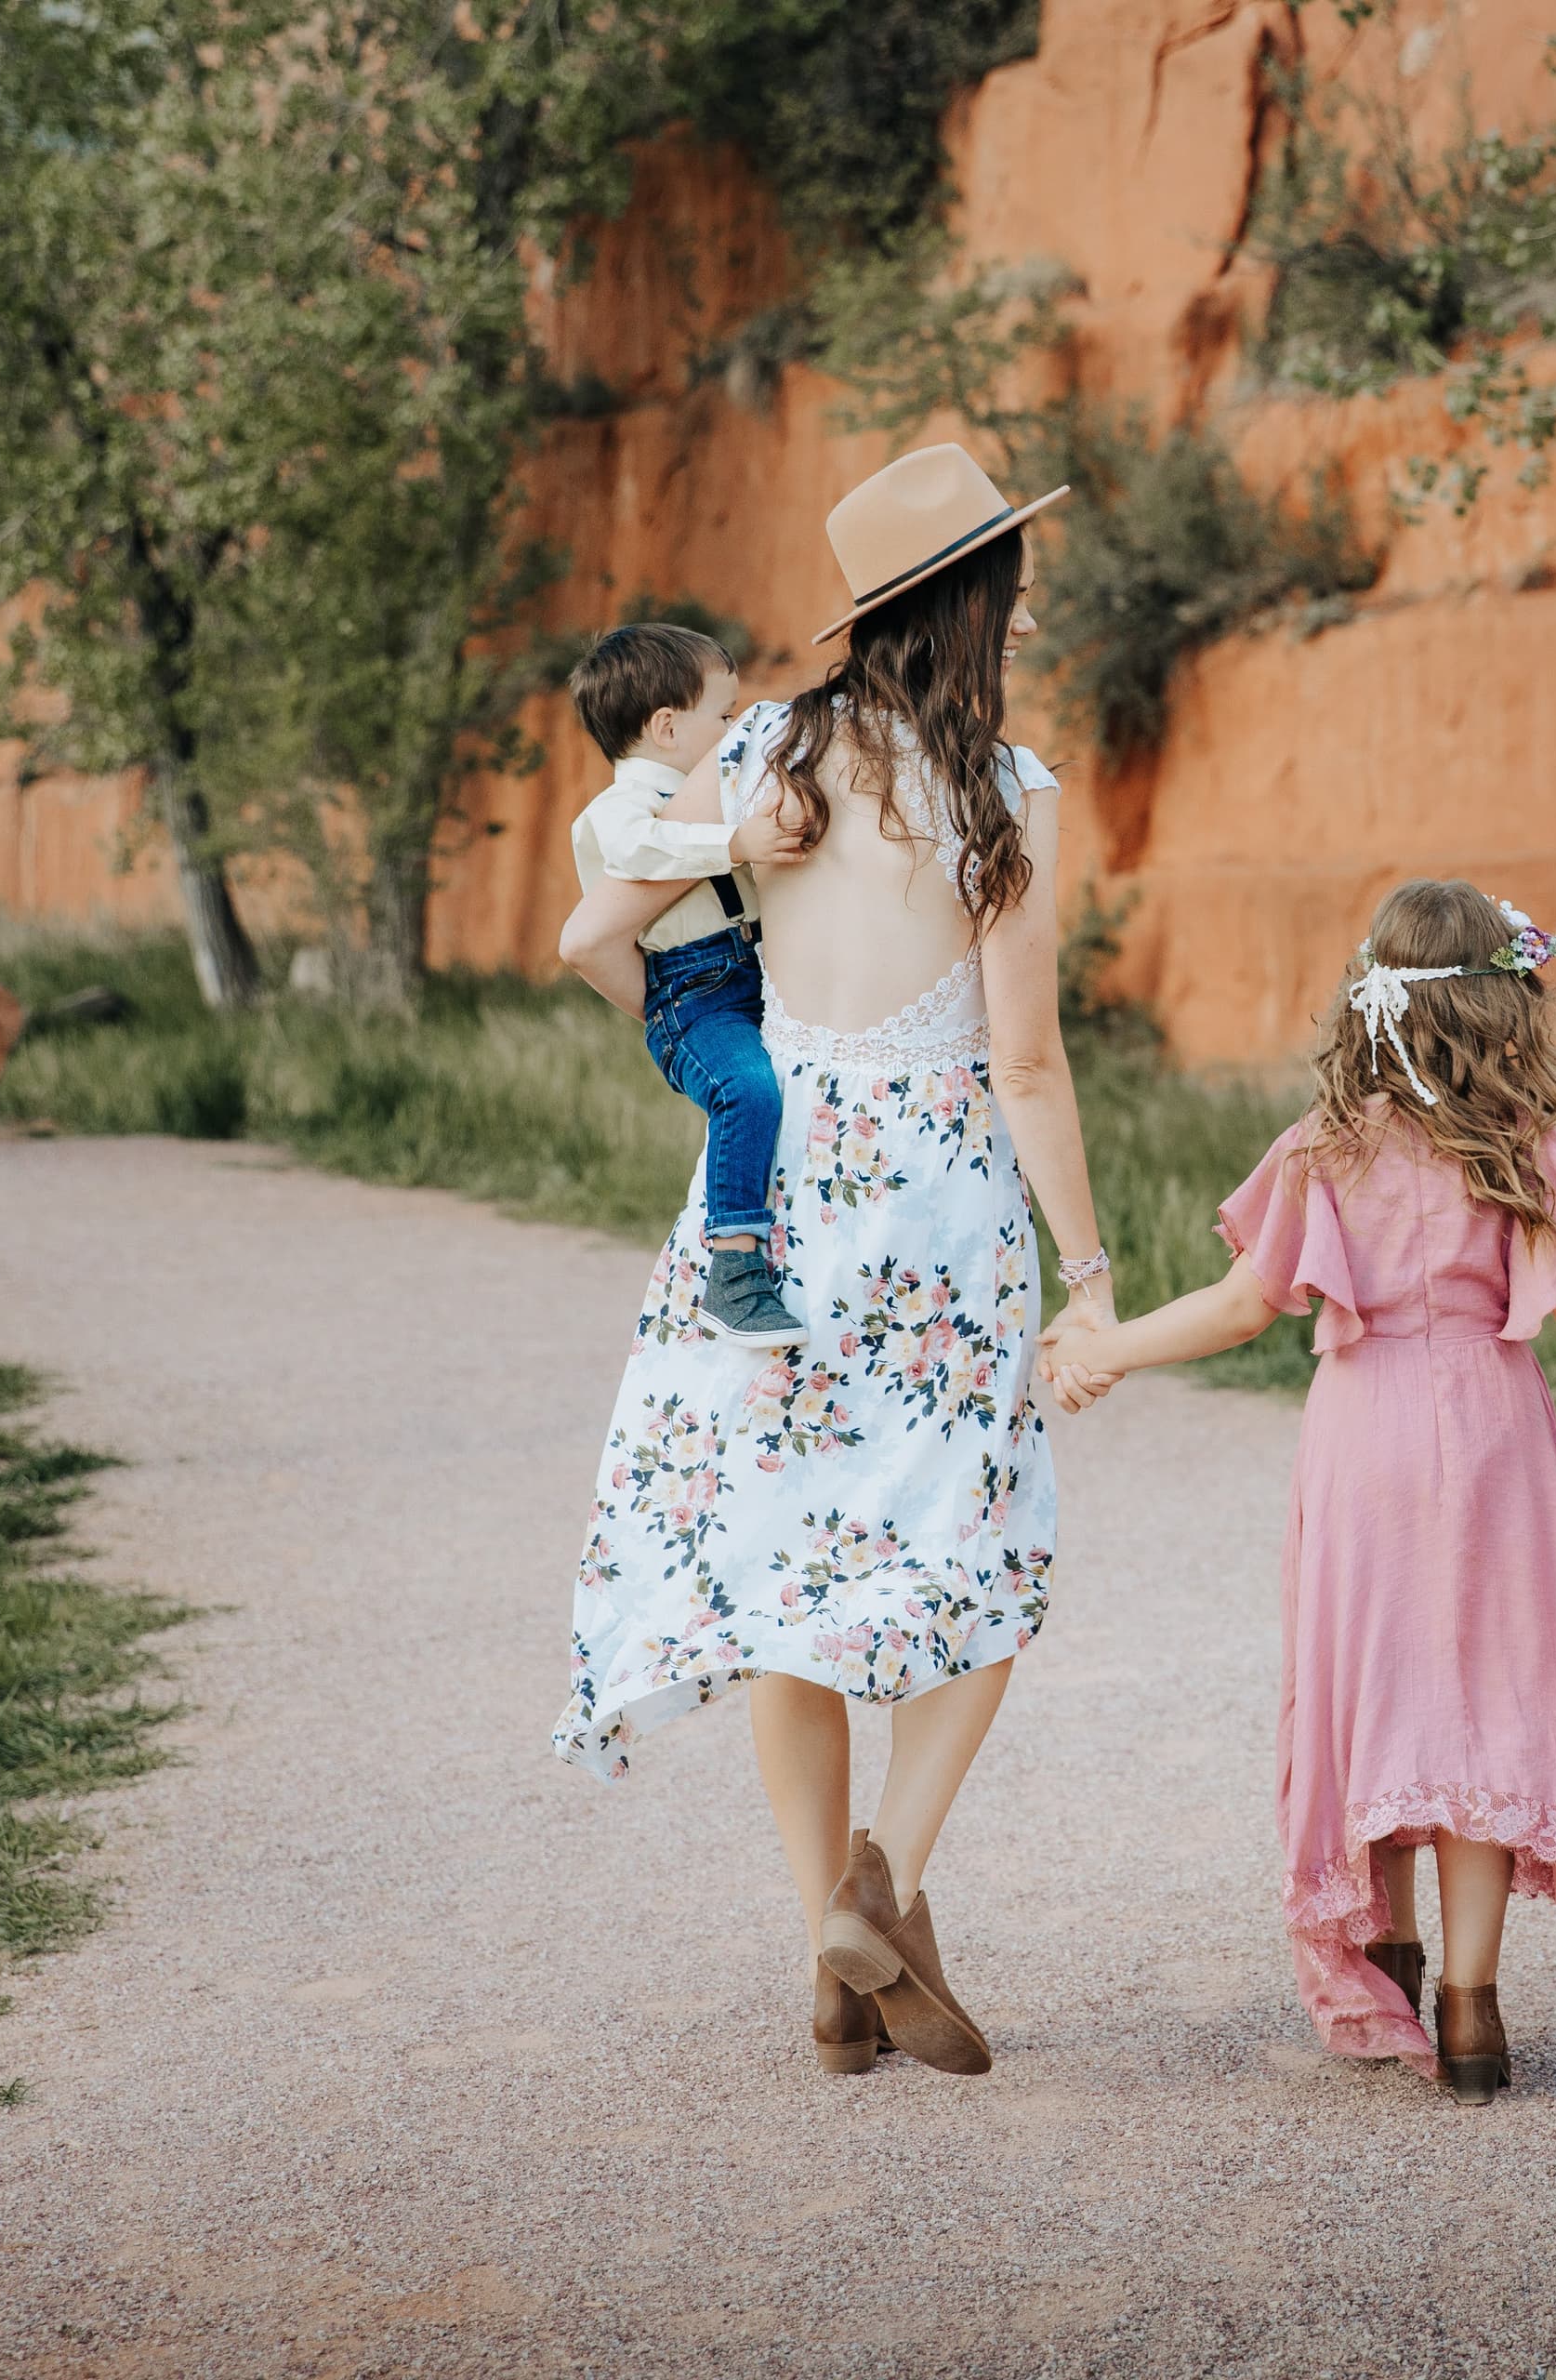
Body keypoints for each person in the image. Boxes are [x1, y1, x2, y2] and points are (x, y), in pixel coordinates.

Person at [551, 446, 1110, 2088]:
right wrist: (1089, 1271)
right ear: (981, 599)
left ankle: (830, 1956)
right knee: (986, 1550)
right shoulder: (1014, 794)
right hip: (940, 1205)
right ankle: (888, 1883)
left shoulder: (758, 752)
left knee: (785, 1575)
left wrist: (701, 1041)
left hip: (783, 1196)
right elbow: (1028, 1067)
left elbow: (596, 933)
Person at [1045, 879, 1556, 2102]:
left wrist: (1104, 1347)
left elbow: (1241, 1308)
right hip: (1493, 1432)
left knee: (1376, 1691)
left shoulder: (1323, 1150)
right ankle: (1473, 2007)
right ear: (1501, 1009)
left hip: (1364, 1441)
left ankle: (1386, 1945)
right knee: (1484, 1704)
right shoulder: (1515, 1143)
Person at [554, 622, 801, 1344]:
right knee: (746, 1089)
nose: (733, 730)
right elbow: (638, 851)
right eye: (724, 717)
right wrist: (736, 844)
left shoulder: (719, 801)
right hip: (690, 991)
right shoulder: (620, 809)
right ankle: (733, 1272)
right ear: (667, 727)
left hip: (756, 971)